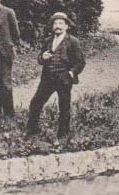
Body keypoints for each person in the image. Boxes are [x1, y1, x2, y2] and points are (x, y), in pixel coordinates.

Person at [26, 12, 85, 142]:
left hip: (64, 79)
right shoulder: (48, 41)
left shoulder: (73, 41)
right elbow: (40, 58)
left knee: (64, 106)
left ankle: (63, 135)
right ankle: (32, 130)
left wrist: (71, 73)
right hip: (47, 78)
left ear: (66, 26)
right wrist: (43, 57)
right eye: (55, 23)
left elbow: (80, 62)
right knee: (35, 102)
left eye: (60, 23)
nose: (57, 26)